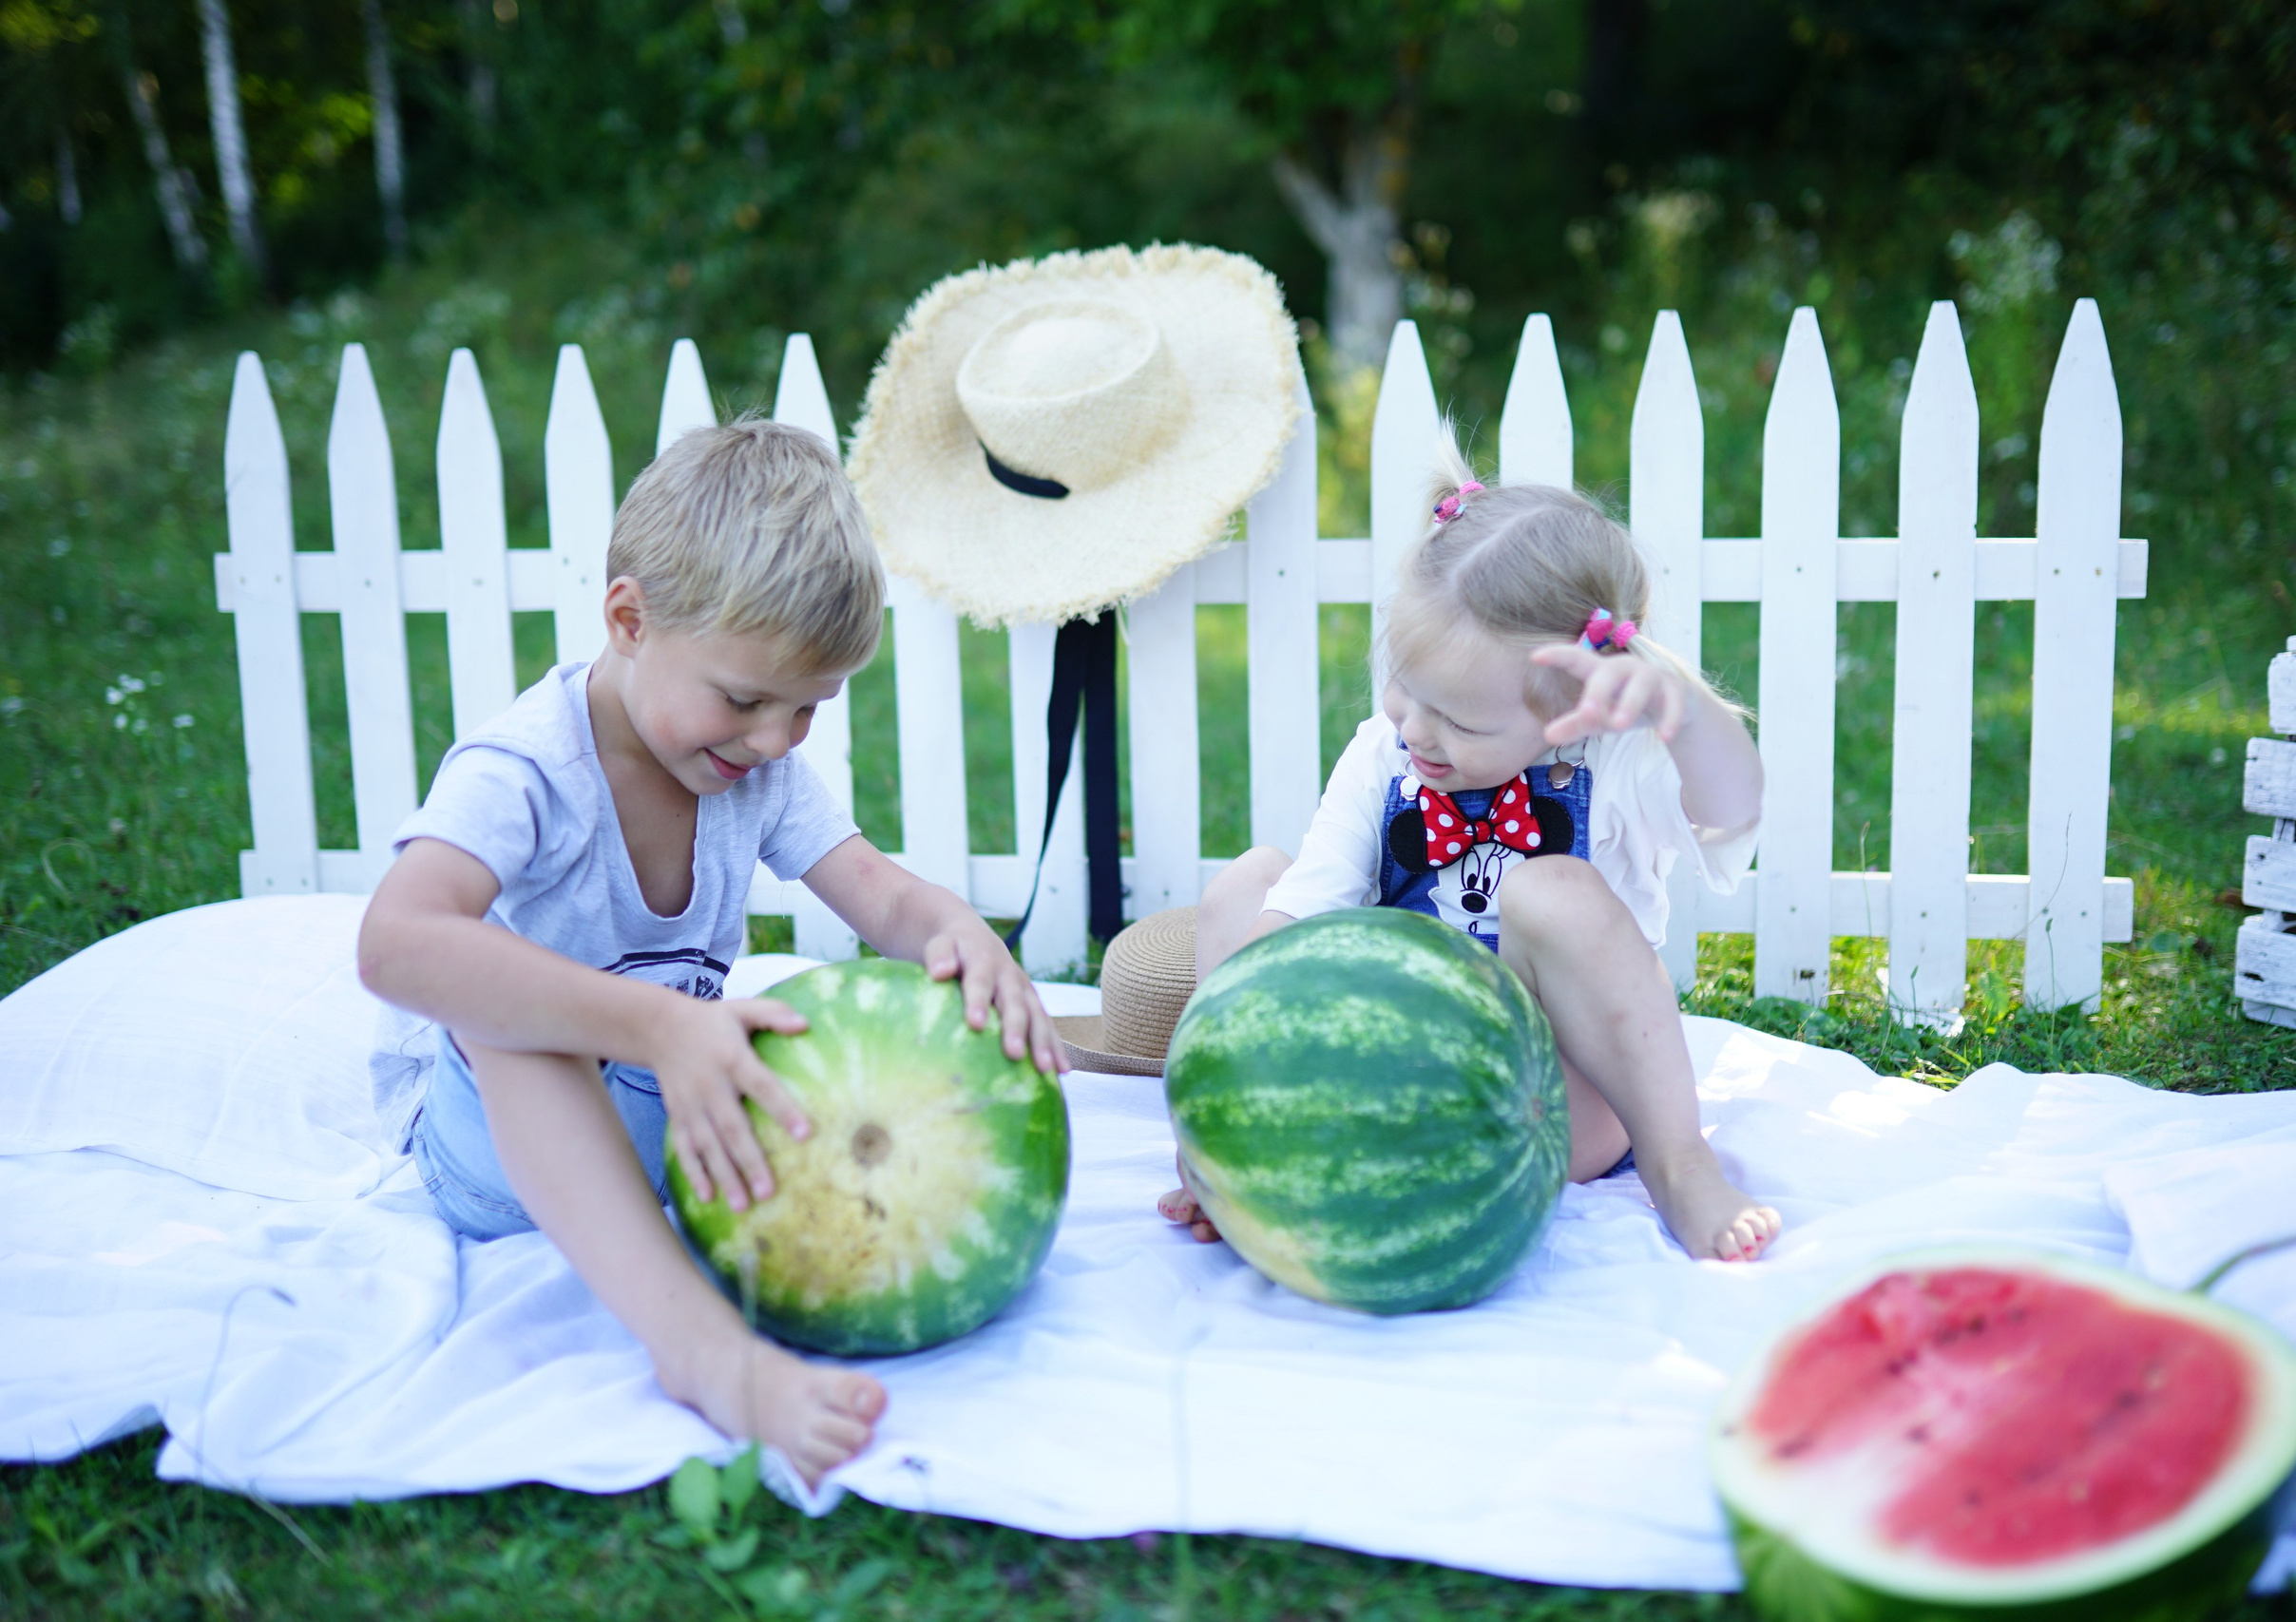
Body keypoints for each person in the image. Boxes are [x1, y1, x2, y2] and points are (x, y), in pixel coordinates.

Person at [357, 421, 1067, 1483]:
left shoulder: (754, 772)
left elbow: (875, 891)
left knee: (793, 1031)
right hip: (494, 1156)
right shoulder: (527, 770)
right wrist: (658, 1022)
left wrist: (955, 932)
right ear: (630, 620)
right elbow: (396, 946)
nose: (776, 740)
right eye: (744, 700)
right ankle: (702, 1354)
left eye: (809, 710)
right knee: (508, 1021)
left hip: (665, 1122)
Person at [1158, 433, 1782, 1264]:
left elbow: (1734, 808)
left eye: (1459, 720)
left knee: (1550, 890)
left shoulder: (1623, 764)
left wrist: (1686, 714)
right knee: (1249, 884)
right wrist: (1239, 1071)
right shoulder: (1385, 751)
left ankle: (1679, 1159)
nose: (1416, 728)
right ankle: (1241, 1146)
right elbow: (1299, 910)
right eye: (1405, 691)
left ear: (1576, 708)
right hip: (1391, 1087)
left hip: (1550, 1100)